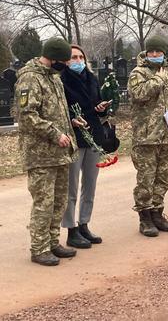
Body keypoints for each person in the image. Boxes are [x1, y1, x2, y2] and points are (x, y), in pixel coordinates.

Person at [15, 37, 78, 266]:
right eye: (65, 61)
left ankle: (52, 242)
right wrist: (55, 133)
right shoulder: (30, 78)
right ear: (53, 58)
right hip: (41, 154)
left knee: (59, 201)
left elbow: (57, 111)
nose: (67, 65)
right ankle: (39, 248)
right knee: (44, 202)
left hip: (60, 152)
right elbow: (27, 116)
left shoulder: (53, 77)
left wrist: (71, 124)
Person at [128, 35, 168, 237]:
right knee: (146, 180)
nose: (154, 54)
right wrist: (158, 80)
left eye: (158, 51)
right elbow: (138, 94)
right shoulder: (138, 72)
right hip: (146, 137)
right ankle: (145, 218)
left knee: (164, 178)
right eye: (151, 51)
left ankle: (157, 213)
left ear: (164, 52)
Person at [61, 45, 110, 248]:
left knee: (90, 185)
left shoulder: (92, 78)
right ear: (66, 61)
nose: (78, 61)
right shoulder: (61, 80)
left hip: (93, 136)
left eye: (81, 57)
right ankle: (71, 230)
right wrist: (71, 121)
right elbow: (60, 110)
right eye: (74, 57)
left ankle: (84, 224)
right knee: (71, 187)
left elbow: (97, 105)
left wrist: (101, 108)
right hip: (74, 138)